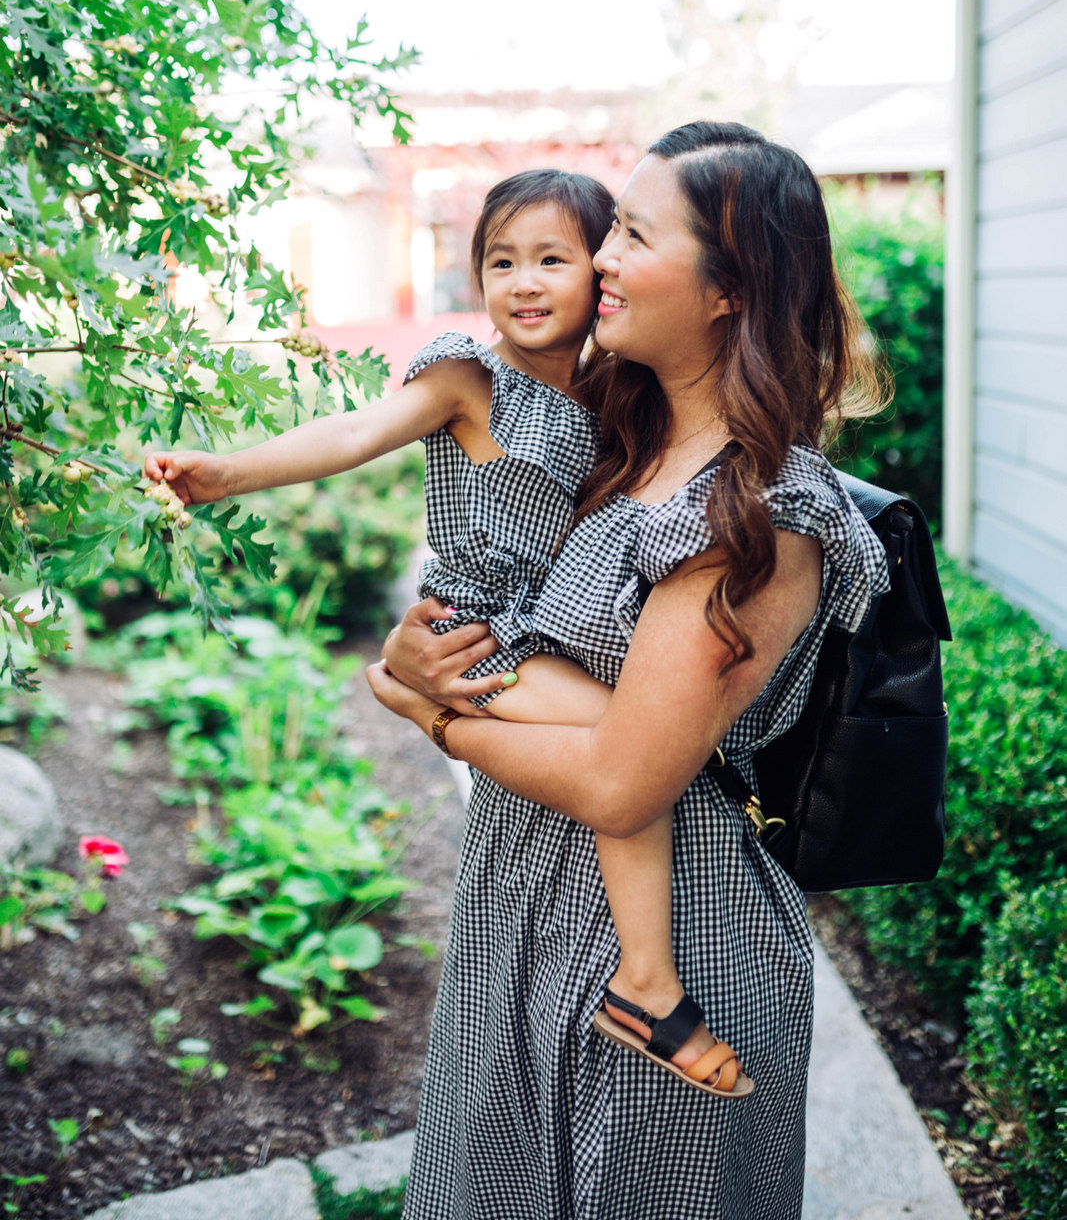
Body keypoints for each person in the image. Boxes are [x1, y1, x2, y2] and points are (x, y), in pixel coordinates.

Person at [368, 121, 892, 1220]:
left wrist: (432, 714)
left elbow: (621, 783)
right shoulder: (610, 437)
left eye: (633, 235)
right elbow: (491, 595)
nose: (597, 257)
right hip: (518, 905)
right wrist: (420, 651)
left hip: (672, 957)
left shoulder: (760, 512)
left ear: (725, 289)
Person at [141, 166, 738, 1090]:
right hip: (479, 631)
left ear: (602, 275)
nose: (523, 282)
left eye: (551, 258)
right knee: (633, 758)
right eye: (500, 261)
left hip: (549, 632)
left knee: (630, 761)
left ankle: (636, 980)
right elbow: (352, 433)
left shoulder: (617, 394)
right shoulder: (471, 377)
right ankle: (647, 987)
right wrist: (227, 475)